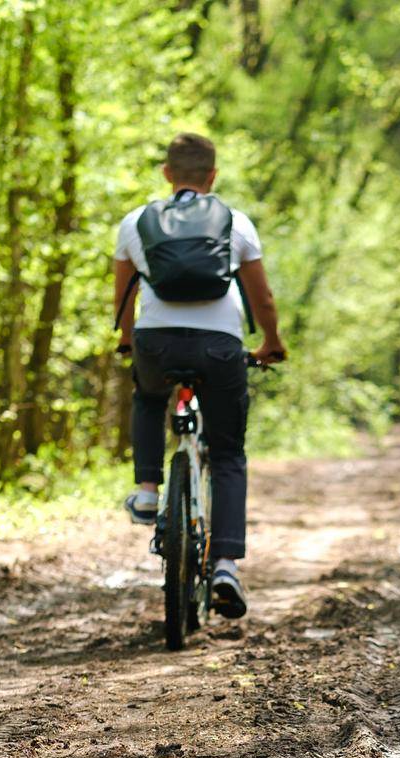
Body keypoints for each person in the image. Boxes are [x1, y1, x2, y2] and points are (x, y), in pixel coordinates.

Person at [113, 132, 285, 619]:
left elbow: (123, 296)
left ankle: (147, 491)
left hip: (157, 342)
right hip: (219, 347)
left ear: (167, 173)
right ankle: (226, 563)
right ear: (213, 176)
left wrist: (129, 341)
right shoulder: (238, 223)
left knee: (148, 397)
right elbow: (263, 299)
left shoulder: (136, 222)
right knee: (228, 452)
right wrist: (271, 342)